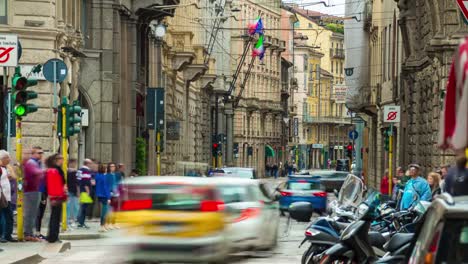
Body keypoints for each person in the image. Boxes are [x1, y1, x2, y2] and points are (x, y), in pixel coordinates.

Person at [23, 146, 44, 242]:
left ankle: (30, 233)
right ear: (33, 154)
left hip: (36, 190)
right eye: (39, 153)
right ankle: (28, 234)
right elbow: (37, 173)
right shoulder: (31, 163)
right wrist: (44, 171)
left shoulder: (37, 163)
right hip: (31, 191)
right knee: (30, 213)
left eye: (42, 153)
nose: (41, 154)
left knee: (34, 213)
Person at [45, 154, 67, 243]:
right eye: (61, 158)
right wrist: (54, 197)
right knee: (55, 217)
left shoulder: (57, 169)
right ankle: (53, 236)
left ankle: (53, 236)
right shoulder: (53, 170)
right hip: (56, 196)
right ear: (56, 160)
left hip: (58, 196)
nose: (63, 160)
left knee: (56, 217)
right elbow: (53, 185)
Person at [0, 151, 16, 243]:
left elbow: (13, 177)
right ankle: (2, 236)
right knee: (2, 217)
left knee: (9, 216)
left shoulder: (5, 168)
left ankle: (7, 235)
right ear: (3, 159)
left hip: (7, 197)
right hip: (2, 197)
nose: (9, 159)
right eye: (8, 157)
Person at [77, 159, 93, 229]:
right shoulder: (86, 171)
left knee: (82, 206)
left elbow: (78, 180)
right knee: (84, 207)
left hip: (81, 190)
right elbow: (86, 182)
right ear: (88, 164)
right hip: (85, 191)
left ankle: (80, 221)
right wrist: (88, 191)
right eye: (90, 163)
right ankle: (81, 222)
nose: (91, 165)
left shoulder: (80, 170)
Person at [95, 163, 111, 232]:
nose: (107, 169)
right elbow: (105, 188)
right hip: (104, 195)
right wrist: (108, 197)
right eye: (106, 168)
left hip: (99, 195)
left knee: (104, 211)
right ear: (103, 169)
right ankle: (102, 226)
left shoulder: (97, 176)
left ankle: (103, 225)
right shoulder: (104, 177)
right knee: (104, 211)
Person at [67, 159, 79, 227]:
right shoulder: (75, 172)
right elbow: (77, 183)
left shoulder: (66, 171)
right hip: (73, 191)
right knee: (74, 206)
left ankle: (69, 220)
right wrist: (78, 191)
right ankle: (73, 220)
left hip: (69, 190)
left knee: (69, 206)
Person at [106, 163, 119, 229]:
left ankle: (114, 223)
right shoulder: (107, 175)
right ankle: (108, 223)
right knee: (110, 209)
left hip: (116, 193)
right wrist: (109, 192)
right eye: (111, 166)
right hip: (110, 193)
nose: (112, 167)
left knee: (115, 209)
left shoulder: (116, 175)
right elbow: (107, 185)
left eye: (113, 166)